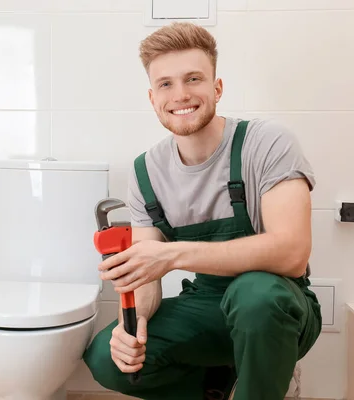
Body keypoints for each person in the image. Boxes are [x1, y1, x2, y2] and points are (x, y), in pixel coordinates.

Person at [82, 22, 322, 400]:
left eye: (193, 79)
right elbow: (147, 276)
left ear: (216, 88)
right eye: (166, 84)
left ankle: (268, 377)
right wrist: (135, 321)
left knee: (255, 295)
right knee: (106, 358)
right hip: (207, 305)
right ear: (152, 97)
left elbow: (292, 254)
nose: (180, 95)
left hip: (279, 302)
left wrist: (173, 254)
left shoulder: (267, 143)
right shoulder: (147, 171)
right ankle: (218, 385)